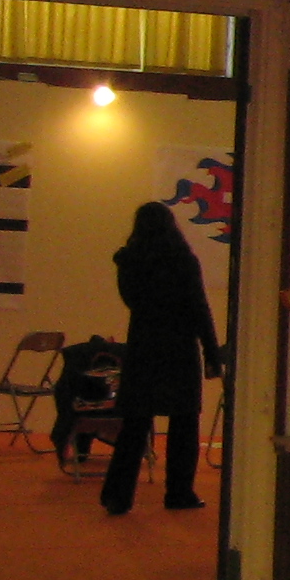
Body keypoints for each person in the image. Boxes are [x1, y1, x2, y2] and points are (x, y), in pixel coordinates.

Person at [101, 202, 221, 516]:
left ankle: (118, 496)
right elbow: (199, 307)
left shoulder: (129, 260)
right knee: (184, 423)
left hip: (143, 347)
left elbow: (131, 301)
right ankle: (179, 492)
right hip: (179, 348)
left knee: (134, 426)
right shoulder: (183, 259)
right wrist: (211, 351)